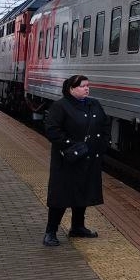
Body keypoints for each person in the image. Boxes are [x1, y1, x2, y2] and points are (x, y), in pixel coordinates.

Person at [42, 75, 108, 247]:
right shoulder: (60, 106)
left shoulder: (93, 104)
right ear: (71, 89)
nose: (87, 89)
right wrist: (71, 146)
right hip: (68, 160)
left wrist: (100, 146)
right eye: (82, 86)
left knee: (83, 193)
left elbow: (104, 125)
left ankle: (77, 227)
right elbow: (52, 130)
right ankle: (51, 231)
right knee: (61, 196)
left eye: (87, 86)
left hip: (89, 159)